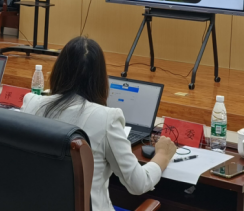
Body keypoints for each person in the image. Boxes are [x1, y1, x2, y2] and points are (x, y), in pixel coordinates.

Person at [21, 36, 176, 211]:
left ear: (58, 71)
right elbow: (138, 184)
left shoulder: (31, 103)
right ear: (101, 79)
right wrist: (162, 155)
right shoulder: (107, 118)